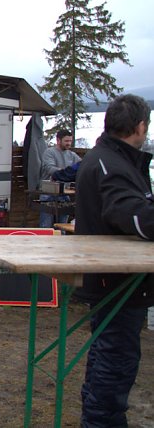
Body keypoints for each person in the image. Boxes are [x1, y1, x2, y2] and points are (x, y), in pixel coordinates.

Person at [73, 94, 154, 427]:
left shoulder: (110, 158)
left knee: (108, 355)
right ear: (140, 126)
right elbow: (134, 217)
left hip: (116, 278)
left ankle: (96, 417)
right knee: (116, 362)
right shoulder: (110, 163)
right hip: (119, 281)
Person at [38, 128, 81, 227]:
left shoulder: (72, 155)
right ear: (58, 140)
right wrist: (67, 173)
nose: (69, 143)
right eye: (66, 141)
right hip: (48, 193)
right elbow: (50, 169)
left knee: (62, 226)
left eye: (70, 141)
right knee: (46, 225)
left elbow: (81, 166)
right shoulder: (49, 152)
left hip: (64, 194)